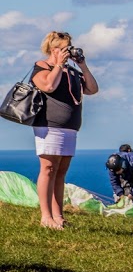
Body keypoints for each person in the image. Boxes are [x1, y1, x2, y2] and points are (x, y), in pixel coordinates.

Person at [30, 31, 99, 229]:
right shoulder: (42, 67)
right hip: (49, 125)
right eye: (64, 48)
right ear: (54, 50)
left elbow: (92, 89)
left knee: (61, 172)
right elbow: (49, 86)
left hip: (69, 128)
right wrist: (58, 65)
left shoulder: (72, 71)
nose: (68, 52)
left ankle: (58, 216)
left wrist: (82, 65)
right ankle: (46, 216)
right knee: (48, 169)